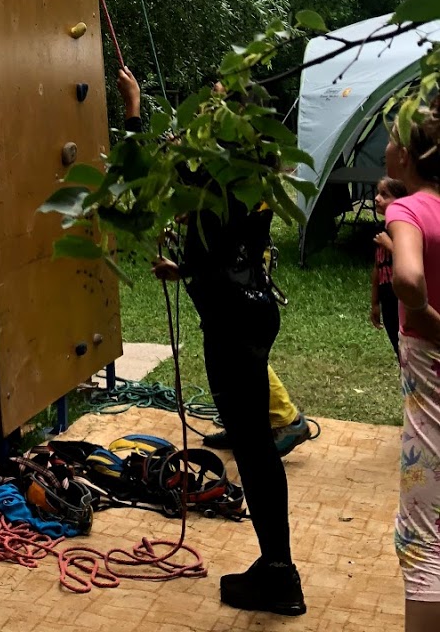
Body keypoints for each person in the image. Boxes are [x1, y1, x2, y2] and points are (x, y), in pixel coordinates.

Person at [114, 66, 305, 616]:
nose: (203, 108)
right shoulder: (251, 170)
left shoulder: (211, 170)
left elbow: (137, 181)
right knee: (254, 447)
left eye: (214, 103)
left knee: (255, 451)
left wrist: (133, 106)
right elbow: (229, 247)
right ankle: (276, 567)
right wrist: (188, 270)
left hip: (232, 323)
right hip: (253, 309)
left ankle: (280, 576)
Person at [384, 94, 440, 629]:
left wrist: (424, 314)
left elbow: (407, 278)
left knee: (424, 537)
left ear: (407, 155)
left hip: (432, 387)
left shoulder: (406, 209)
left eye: (391, 139)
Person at [372, 176, 407, 357]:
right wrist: (374, 303)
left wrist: (390, 245)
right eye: (378, 193)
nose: (377, 198)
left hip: (403, 300)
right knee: (397, 347)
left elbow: (409, 260)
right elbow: (377, 267)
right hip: (387, 300)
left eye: (384, 195)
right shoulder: (380, 229)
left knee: (407, 347)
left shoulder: (404, 230)